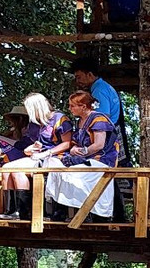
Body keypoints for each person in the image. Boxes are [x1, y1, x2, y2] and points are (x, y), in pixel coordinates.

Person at [44, 91, 120, 220]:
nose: (70, 109)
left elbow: (99, 145)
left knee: (75, 176)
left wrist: (82, 152)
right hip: (84, 159)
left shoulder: (98, 119)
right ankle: (60, 211)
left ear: (83, 107)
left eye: (72, 106)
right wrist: (73, 149)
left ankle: (87, 213)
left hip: (101, 160)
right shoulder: (79, 122)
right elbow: (74, 143)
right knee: (56, 168)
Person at [0, 93, 73, 220]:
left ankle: (23, 212)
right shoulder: (35, 123)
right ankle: (11, 210)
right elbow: (33, 143)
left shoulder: (60, 119)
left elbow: (67, 143)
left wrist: (47, 152)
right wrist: (31, 149)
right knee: (6, 168)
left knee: (17, 172)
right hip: (38, 156)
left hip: (56, 157)